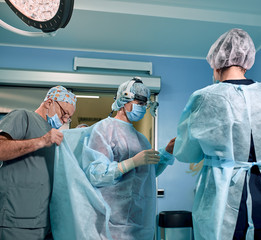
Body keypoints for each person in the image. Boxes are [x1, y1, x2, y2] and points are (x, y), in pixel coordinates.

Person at [173, 28, 261, 240]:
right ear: (246, 60)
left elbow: (187, 154)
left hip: (227, 198)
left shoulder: (205, 97)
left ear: (216, 63)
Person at [50, 78, 175, 240]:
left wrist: (167, 153)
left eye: (145, 104)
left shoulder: (141, 139)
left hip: (138, 224)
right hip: (109, 224)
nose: (143, 108)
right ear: (124, 100)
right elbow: (96, 174)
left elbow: (147, 175)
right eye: (139, 103)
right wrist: (132, 162)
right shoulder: (105, 130)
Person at [0, 86, 77, 240]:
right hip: (17, 221)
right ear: (49, 102)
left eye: (68, 118)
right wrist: (41, 141)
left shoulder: (54, 135)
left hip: (45, 222)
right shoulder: (23, 117)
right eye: (64, 114)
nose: (64, 120)